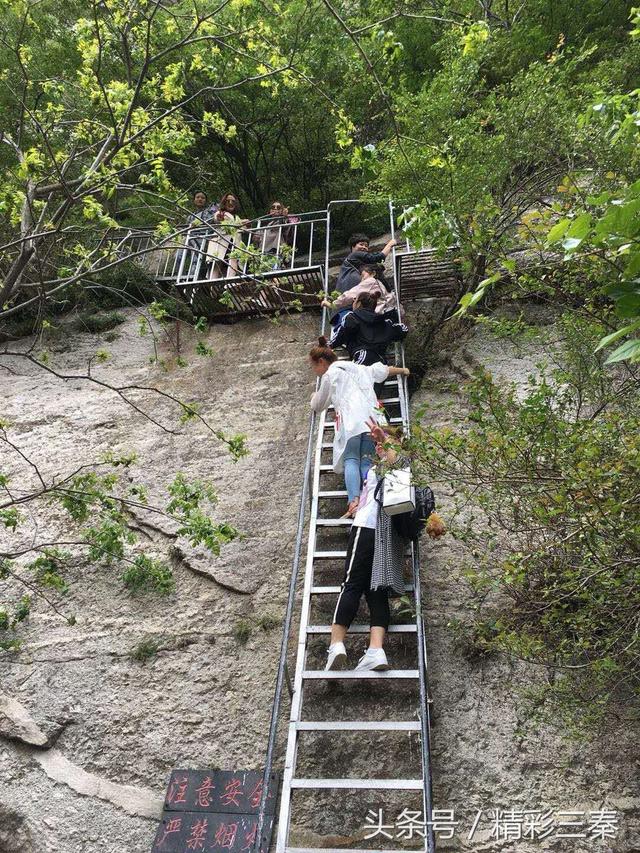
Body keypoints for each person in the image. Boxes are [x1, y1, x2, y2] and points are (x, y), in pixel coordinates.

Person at [325, 420, 446, 672]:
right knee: (376, 591)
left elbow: (397, 462)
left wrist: (384, 439)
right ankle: (375, 651)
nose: (377, 447)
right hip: (388, 539)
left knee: (351, 584)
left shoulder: (395, 465)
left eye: (379, 444)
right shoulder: (400, 473)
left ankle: (336, 645)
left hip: (367, 530)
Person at [309, 337, 410, 517]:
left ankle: (354, 501)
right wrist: (403, 370)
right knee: (367, 460)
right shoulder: (359, 367)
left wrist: (313, 396)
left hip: (350, 420)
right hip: (372, 420)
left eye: (314, 367)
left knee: (351, 460)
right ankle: (371, 498)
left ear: (322, 361)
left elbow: (319, 404)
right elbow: (383, 371)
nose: (315, 372)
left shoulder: (330, 374)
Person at [328, 292, 409, 368]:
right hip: (380, 364)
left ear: (359, 303)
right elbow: (403, 330)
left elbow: (340, 335)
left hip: (363, 358)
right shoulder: (384, 322)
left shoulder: (352, 317)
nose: (353, 303)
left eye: (354, 300)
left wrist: (329, 345)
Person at [323, 264, 397, 324]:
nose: (361, 279)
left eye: (363, 276)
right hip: (388, 315)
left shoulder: (370, 281)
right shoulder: (380, 283)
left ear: (373, 273)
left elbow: (350, 295)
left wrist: (332, 304)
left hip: (378, 315)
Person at [206, 192, 247, 279]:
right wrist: (220, 218)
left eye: (233, 201)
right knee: (216, 265)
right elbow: (218, 218)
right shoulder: (220, 213)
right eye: (228, 201)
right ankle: (212, 288)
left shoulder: (237, 217)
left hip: (233, 244)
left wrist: (247, 225)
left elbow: (243, 228)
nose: (231, 203)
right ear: (224, 202)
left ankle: (229, 283)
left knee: (234, 261)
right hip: (220, 244)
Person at [179, 190, 218, 279]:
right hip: (191, 239)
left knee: (197, 258)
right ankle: (179, 274)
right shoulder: (190, 216)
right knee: (179, 255)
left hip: (204, 238)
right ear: (194, 200)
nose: (200, 199)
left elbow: (213, 219)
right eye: (198, 197)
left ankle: (194, 276)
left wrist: (196, 223)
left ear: (206, 201)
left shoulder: (211, 211)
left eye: (202, 198)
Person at [251, 201, 300, 266]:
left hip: (276, 254)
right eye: (273, 207)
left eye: (278, 207)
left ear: (282, 211)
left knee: (274, 273)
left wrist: (284, 216)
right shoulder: (265, 225)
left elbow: (287, 225)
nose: (275, 209)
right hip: (262, 255)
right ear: (270, 211)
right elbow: (255, 240)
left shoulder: (282, 222)